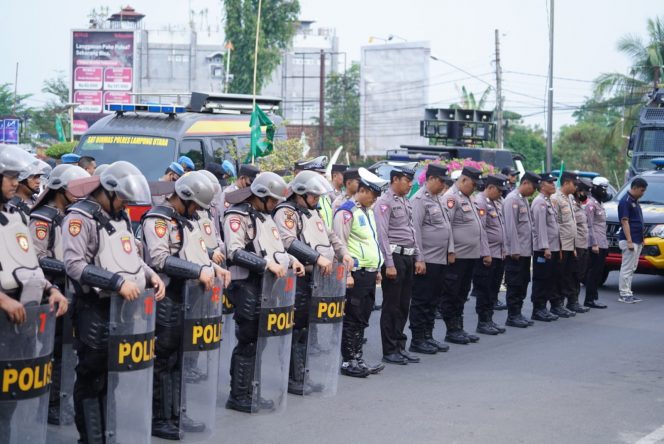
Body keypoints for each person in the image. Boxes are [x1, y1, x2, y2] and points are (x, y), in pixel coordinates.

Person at [62, 161, 165, 443]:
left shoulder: (120, 215)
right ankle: (91, 438)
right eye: (122, 198)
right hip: (93, 307)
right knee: (92, 376)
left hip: (122, 310)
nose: (125, 204)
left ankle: (107, 434)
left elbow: (130, 254)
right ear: (106, 191)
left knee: (113, 376)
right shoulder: (79, 218)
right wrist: (117, 283)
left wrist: (151, 274)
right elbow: (73, 265)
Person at [141, 171, 230, 438]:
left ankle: (177, 413)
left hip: (188, 298)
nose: (197, 212)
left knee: (181, 360)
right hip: (167, 296)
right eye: (196, 206)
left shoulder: (186, 219)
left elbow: (195, 254)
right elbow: (159, 259)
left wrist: (214, 267)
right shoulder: (159, 218)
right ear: (184, 198)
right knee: (164, 360)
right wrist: (197, 271)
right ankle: (159, 418)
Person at [0, 145, 69, 443]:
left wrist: (51, 289)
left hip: (19, 319)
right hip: (4, 310)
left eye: (17, 177)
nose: (16, 182)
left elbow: (30, 262)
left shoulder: (17, 214)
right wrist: (2, 299)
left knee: (9, 401)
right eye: (9, 176)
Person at [223, 172, 305, 412]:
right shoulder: (236, 215)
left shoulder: (266, 217)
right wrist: (265, 264)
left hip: (268, 286)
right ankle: (238, 395)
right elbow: (234, 252)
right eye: (273, 200)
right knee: (247, 340)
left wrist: (291, 259)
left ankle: (251, 390)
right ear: (260, 196)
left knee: (260, 341)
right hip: (246, 284)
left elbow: (274, 249)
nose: (276, 204)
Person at [273, 171, 353, 394]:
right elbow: (287, 241)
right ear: (301, 194)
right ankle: (292, 378)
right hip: (297, 277)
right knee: (295, 328)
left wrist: (343, 253)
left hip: (316, 278)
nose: (317, 200)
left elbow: (331, 236)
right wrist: (317, 258)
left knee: (307, 328)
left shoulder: (311, 212)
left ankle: (303, 375)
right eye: (314, 196)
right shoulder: (287, 212)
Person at [29, 164, 89, 425]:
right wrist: (69, 268)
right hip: (49, 293)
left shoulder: (72, 215)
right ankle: (50, 404)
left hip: (71, 293)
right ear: (61, 189)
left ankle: (61, 399)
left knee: (68, 351)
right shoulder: (42, 218)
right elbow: (37, 258)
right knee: (50, 350)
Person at [333, 168, 387, 377]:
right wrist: (346, 274)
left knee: (363, 317)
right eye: (372, 195)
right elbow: (340, 244)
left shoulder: (367, 212)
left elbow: (371, 242)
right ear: (363, 190)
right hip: (355, 274)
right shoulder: (346, 212)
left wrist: (377, 267)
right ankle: (348, 361)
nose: (374, 199)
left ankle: (358, 358)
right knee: (352, 317)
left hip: (369, 272)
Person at [374, 165, 425, 365]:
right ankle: (389, 349)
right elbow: (382, 234)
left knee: (404, 305)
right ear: (395, 179)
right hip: (394, 258)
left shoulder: (405, 201)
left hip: (408, 257)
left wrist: (419, 257)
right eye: (406, 180)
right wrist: (388, 263)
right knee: (391, 306)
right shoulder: (384, 202)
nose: (410, 184)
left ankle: (400, 346)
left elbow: (413, 231)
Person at [408, 164, 453, 353]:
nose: (444, 185)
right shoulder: (419, 199)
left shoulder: (438, 199)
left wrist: (450, 250)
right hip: (426, 260)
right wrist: (419, 258)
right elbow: (415, 230)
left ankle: (428, 335)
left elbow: (447, 227)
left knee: (433, 301)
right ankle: (418, 339)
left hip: (440, 259)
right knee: (422, 300)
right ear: (431, 178)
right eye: (441, 181)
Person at [440, 166, 488, 344]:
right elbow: (447, 226)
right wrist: (450, 250)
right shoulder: (451, 198)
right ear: (463, 180)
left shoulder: (469, 197)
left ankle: (458, 327)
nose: (475, 188)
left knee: (462, 292)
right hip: (457, 256)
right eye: (473, 184)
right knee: (452, 293)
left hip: (470, 255)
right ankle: (451, 330)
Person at [503, 171, 540, 328]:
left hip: (525, 251)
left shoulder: (523, 199)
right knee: (515, 283)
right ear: (525, 183)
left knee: (523, 282)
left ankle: (517, 313)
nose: (534, 191)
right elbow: (511, 227)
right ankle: (512, 315)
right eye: (533, 187)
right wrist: (514, 249)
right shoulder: (512, 200)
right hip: (516, 253)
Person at [472, 174, 508, 334]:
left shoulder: (495, 202)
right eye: (499, 190)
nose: (501, 194)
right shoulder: (481, 202)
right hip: (487, 256)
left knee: (493, 290)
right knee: (485, 290)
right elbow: (481, 231)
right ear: (491, 187)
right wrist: (485, 253)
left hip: (498, 254)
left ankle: (489, 319)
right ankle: (483, 322)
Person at [530, 172, 561, 322]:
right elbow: (540, 227)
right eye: (550, 182)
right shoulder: (540, 202)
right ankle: (538, 309)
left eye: (554, 182)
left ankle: (543, 307)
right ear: (542, 185)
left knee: (549, 278)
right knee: (541, 279)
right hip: (543, 249)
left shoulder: (548, 201)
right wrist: (545, 247)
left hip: (552, 247)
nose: (554, 184)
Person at [550, 171, 579, 318]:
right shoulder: (556, 198)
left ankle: (561, 303)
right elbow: (556, 224)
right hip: (561, 245)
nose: (575, 187)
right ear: (566, 183)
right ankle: (556, 304)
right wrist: (560, 246)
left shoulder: (571, 197)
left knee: (566, 275)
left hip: (570, 244)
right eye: (574, 184)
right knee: (558, 275)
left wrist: (573, 247)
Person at [617, 177, 647, 303]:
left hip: (637, 239)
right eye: (641, 190)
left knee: (632, 267)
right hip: (630, 240)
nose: (643, 193)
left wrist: (641, 239)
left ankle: (628, 292)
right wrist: (629, 240)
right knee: (627, 267)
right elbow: (625, 221)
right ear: (634, 188)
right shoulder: (626, 201)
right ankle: (624, 294)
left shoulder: (635, 200)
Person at [584, 176, 612, 308]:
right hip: (595, 244)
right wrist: (594, 243)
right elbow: (589, 225)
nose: (604, 191)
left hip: (602, 242)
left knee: (598, 271)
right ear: (595, 188)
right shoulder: (590, 204)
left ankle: (594, 297)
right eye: (602, 189)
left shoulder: (598, 203)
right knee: (593, 272)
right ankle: (589, 299)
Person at [568, 178, 592, 313]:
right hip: (575, 245)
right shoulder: (571, 203)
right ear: (578, 191)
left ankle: (575, 300)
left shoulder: (579, 204)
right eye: (584, 192)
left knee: (580, 274)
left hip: (583, 244)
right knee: (573, 275)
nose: (586, 195)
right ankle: (572, 302)